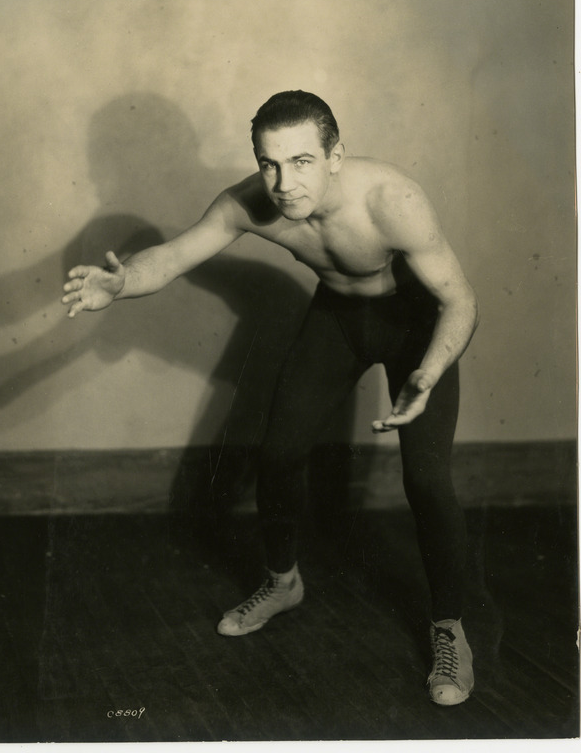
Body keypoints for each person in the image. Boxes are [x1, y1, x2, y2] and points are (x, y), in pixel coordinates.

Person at [62, 90, 479, 706]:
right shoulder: (251, 203)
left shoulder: (394, 201)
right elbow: (174, 256)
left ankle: (451, 629)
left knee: (427, 480)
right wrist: (122, 284)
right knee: (279, 452)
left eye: (303, 162)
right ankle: (283, 583)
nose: (283, 184)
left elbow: (460, 300)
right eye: (269, 163)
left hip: (418, 325)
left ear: (336, 155)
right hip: (337, 319)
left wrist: (431, 370)